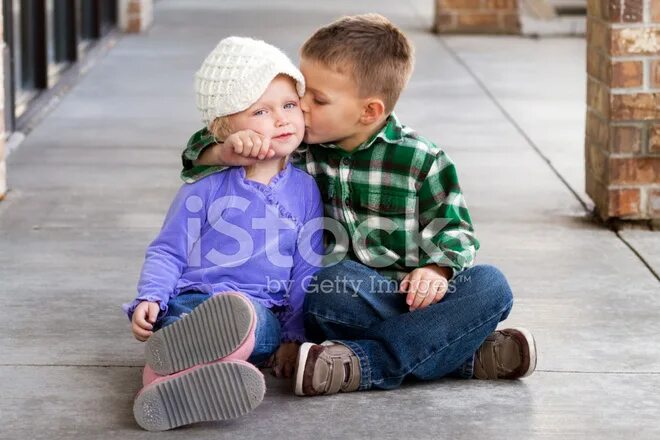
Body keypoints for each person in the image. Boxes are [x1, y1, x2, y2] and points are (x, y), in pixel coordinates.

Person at [182, 14, 537, 398]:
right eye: (302, 91)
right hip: (339, 300)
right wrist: (225, 149)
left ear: (369, 111)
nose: (299, 106)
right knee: (324, 276)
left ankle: (360, 363)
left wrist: (435, 269)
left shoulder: (421, 159)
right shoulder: (296, 147)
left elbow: (455, 231)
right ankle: (465, 353)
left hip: (414, 300)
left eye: (317, 99)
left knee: (491, 285)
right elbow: (195, 156)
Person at [123, 36, 323, 430]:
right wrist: (151, 295)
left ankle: (172, 380)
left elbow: (306, 267)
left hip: (260, 310)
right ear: (223, 127)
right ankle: (183, 377)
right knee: (181, 320)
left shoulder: (305, 189)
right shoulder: (207, 184)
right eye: (261, 111)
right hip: (195, 299)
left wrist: (293, 335)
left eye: (288, 105)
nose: (282, 119)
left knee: (248, 325)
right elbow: (169, 249)